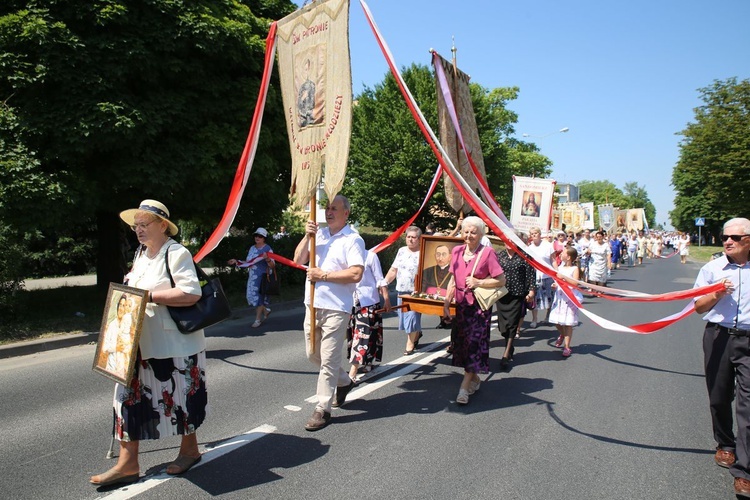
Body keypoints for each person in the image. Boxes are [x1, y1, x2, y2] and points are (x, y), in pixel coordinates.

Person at [90, 200, 207, 487]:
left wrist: (149, 297)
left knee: (180, 398)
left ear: (162, 226)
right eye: (136, 226)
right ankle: (127, 463)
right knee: (128, 400)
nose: (138, 231)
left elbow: (191, 293)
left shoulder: (177, 252)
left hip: (174, 344)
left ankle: (189, 450)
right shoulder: (142, 253)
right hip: (136, 343)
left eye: (144, 225)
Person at [293, 195, 366, 431]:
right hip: (312, 304)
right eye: (327, 207)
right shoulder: (319, 235)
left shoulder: (353, 240)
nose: (328, 212)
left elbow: (356, 274)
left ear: (346, 213)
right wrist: (307, 236)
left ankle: (322, 408)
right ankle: (344, 382)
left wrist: (322, 275)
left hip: (336, 308)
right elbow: (297, 260)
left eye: (334, 208)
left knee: (328, 360)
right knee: (312, 354)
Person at [693, 218, 750, 497]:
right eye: (725, 236)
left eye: (735, 238)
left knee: (747, 407)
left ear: (749, 240)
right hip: (719, 337)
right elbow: (697, 307)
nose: (728, 241)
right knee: (718, 396)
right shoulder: (712, 268)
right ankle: (725, 444)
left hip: (749, 339)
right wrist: (716, 293)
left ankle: (744, 471)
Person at [442, 216, 505, 405]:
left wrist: (479, 282)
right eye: (466, 231)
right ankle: (474, 378)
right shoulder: (456, 251)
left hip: (479, 307)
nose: (468, 235)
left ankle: (463, 388)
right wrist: (447, 302)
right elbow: (453, 278)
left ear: (480, 234)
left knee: (474, 344)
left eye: (473, 232)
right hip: (461, 306)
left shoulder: (487, 253)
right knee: (462, 345)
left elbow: (501, 280)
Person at [345, 250, 390, 384]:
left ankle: (353, 371)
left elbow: (380, 279)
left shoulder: (370, 256)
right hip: (349, 301)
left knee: (363, 335)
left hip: (368, 301)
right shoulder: (346, 255)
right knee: (353, 334)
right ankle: (366, 360)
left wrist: (386, 298)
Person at [495, 240, 535, 370]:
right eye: (506, 241)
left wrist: (531, 290)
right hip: (502, 294)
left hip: (518, 294)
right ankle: (510, 346)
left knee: (512, 323)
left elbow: (531, 274)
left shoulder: (525, 256)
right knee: (503, 326)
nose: (508, 243)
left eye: (511, 241)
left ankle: (506, 354)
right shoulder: (500, 255)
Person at [383, 226, 422, 355]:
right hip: (401, 289)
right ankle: (417, 333)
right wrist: (385, 282)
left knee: (412, 317)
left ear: (419, 239)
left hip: (416, 292)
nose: (410, 240)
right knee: (404, 318)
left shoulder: (423, 252)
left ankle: (409, 344)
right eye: (408, 237)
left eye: (413, 237)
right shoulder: (401, 251)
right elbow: (394, 270)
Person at [228, 227, 275, 328]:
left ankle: (258, 320)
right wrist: (237, 261)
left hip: (262, 278)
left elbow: (272, 265)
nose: (257, 238)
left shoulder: (268, 249)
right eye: (256, 236)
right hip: (252, 278)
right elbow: (249, 262)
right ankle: (265, 310)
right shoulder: (252, 248)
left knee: (259, 298)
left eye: (260, 236)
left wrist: (267, 259)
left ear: (264, 238)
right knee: (252, 297)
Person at [550, 247, 583, 357]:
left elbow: (575, 283)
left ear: (568, 257)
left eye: (563, 252)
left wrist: (563, 278)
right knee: (557, 322)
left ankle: (567, 347)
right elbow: (558, 280)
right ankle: (562, 335)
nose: (561, 254)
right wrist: (555, 285)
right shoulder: (560, 267)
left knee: (568, 323)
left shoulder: (574, 268)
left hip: (569, 298)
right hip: (559, 297)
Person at [526, 226, 555, 327]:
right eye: (532, 234)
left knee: (549, 297)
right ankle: (534, 319)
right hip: (535, 276)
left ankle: (548, 316)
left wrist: (557, 273)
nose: (534, 235)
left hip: (547, 276)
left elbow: (553, 260)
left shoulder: (548, 246)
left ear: (539, 234)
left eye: (535, 233)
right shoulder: (529, 248)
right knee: (535, 298)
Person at [101, 294, 133, 379]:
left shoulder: (128, 325)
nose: (120, 308)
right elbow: (104, 347)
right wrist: (116, 348)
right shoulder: (112, 325)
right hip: (112, 367)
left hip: (124, 369)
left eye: (123, 306)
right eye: (119, 305)